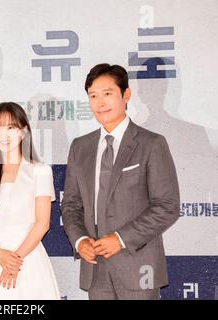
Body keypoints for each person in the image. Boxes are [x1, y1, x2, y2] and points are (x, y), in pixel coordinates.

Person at [61, 64, 180, 300]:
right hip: (95, 268)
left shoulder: (151, 144)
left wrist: (121, 239)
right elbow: (71, 205)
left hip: (138, 265)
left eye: (107, 93)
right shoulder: (80, 147)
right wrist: (80, 240)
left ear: (126, 95)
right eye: (93, 96)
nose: (100, 102)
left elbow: (167, 206)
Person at [0, 102, 60, 299]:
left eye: (11, 127)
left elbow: (42, 223)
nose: (3, 134)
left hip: (28, 258)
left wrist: (14, 261)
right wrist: (0, 255)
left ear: (24, 131)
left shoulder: (40, 171)